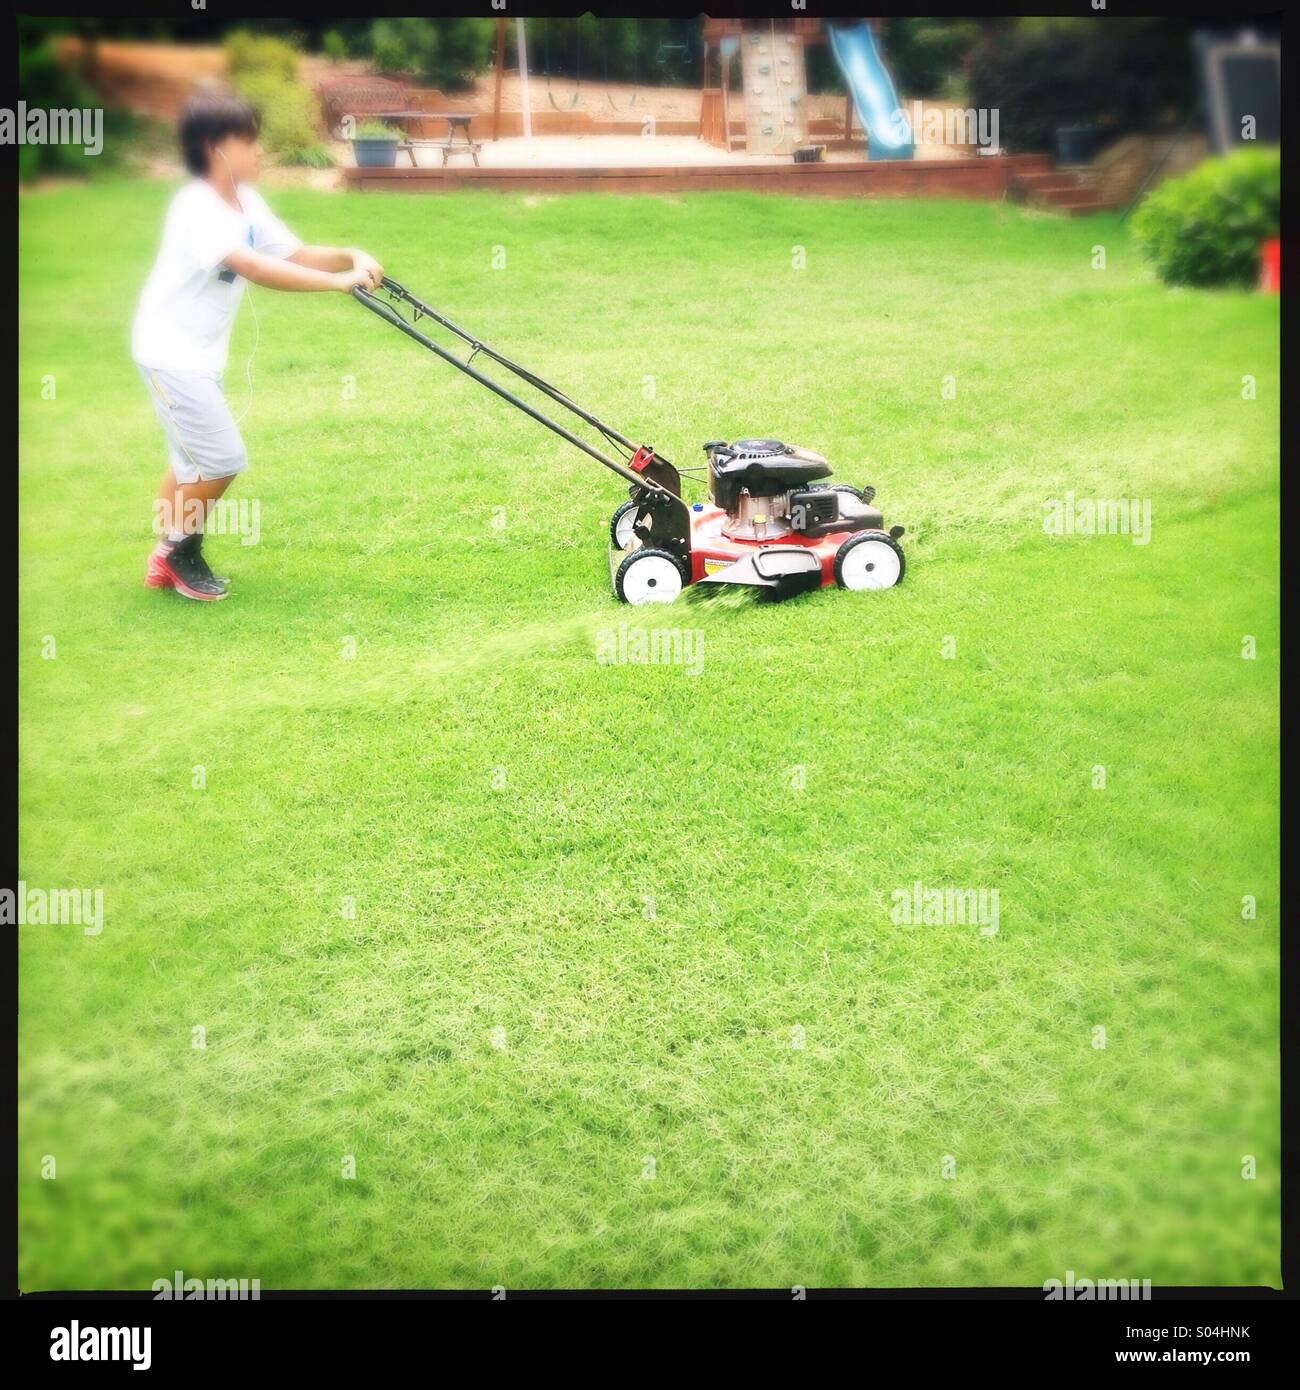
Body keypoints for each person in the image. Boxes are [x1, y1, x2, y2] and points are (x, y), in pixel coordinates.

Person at [133, 92, 383, 600]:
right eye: (246, 140)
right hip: (169, 352)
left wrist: (348, 255)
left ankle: (164, 555)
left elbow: (293, 253)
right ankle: (178, 551)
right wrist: (339, 285)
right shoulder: (195, 207)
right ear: (213, 148)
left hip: (196, 355)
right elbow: (255, 267)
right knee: (222, 458)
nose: (258, 150)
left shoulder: (246, 202)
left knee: (189, 462)